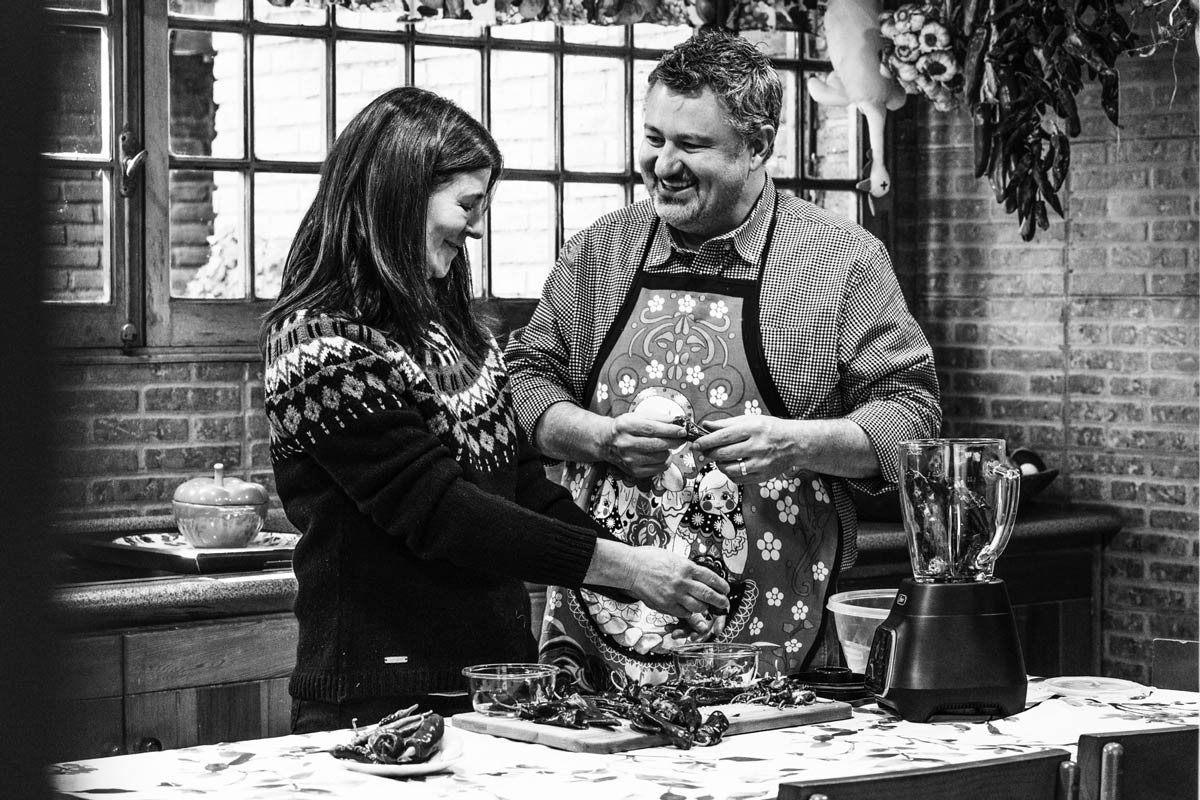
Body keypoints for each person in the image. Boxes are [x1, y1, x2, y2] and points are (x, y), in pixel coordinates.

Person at [260, 87, 730, 733]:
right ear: (400, 194)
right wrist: (626, 568)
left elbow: (518, 489)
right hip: (375, 695)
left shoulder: (457, 333)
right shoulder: (320, 343)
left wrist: (640, 574)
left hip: (494, 682)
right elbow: (437, 511)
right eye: (467, 204)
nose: (476, 226)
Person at [505, 31, 941, 690]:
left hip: (774, 649)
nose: (664, 164)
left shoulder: (843, 262)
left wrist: (793, 444)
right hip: (594, 651)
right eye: (654, 138)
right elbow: (526, 378)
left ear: (759, 146)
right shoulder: (600, 252)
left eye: (693, 145)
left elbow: (912, 419)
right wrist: (599, 437)